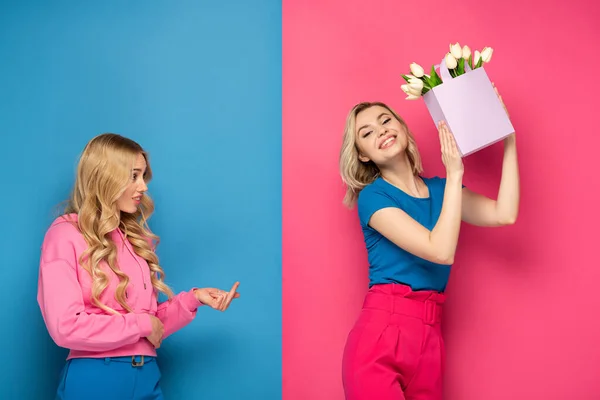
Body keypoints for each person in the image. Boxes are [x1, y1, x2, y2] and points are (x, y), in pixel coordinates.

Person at [339, 90, 519, 400]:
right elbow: (440, 251)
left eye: (386, 120)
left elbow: (504, 214)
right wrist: (455, 172)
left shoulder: (441, 190)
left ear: (402, 129)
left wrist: (509, 140)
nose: (381, 130)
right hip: (382, 332)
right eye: (367, 133)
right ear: (363, 155)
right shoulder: (373, 197)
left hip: (431, 337)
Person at [37, 133, 240, 400]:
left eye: (143, 176)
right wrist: (142, 324)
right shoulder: (66, 233)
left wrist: (194, 299)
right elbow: (65, 327)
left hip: (147, 376)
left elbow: (150, 327)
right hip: (96, 379)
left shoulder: (135, 240)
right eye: (133, 176)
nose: (143, 187)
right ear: (106, 177)